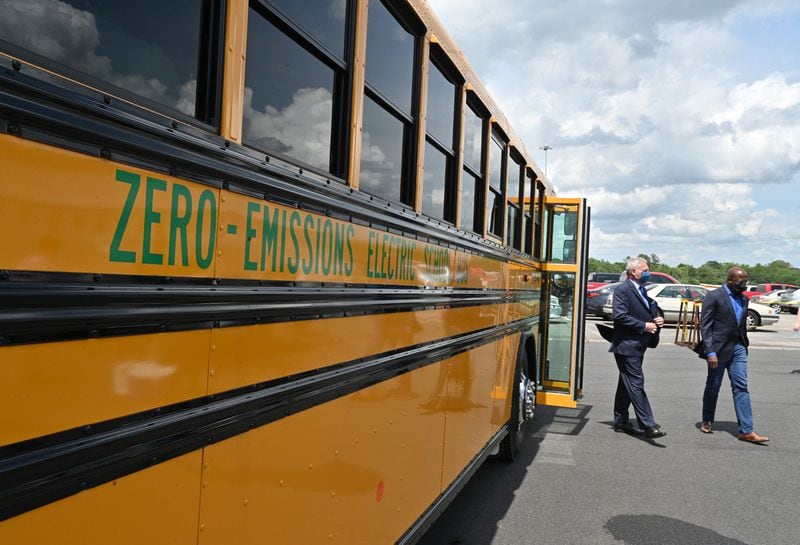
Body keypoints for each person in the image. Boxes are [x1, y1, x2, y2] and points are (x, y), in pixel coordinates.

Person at [699, 267, 768, 443]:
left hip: (738, 347)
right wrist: (710, 351)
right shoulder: (714, 296)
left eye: (746, 281)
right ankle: (707, 419)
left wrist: (744, 344)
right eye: (741, 282)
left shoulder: (744, 299)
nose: (744, 285)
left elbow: (741, 325)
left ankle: (746, 430)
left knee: (741, 386)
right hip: (718, 349)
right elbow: (705, 326)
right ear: (730, 280)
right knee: (713, 386)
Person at [609, 257, 666, 439]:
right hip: (626, 346)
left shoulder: (641, 290)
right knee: (635, 383)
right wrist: (644, 326)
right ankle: (648, 424)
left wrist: (657, 318)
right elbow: (619, 316)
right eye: (645, 270)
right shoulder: (623, 289)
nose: (648, 273)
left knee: (626, 384)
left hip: (638, 345)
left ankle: (621, 420)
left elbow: (650, 308)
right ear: (633, 272)